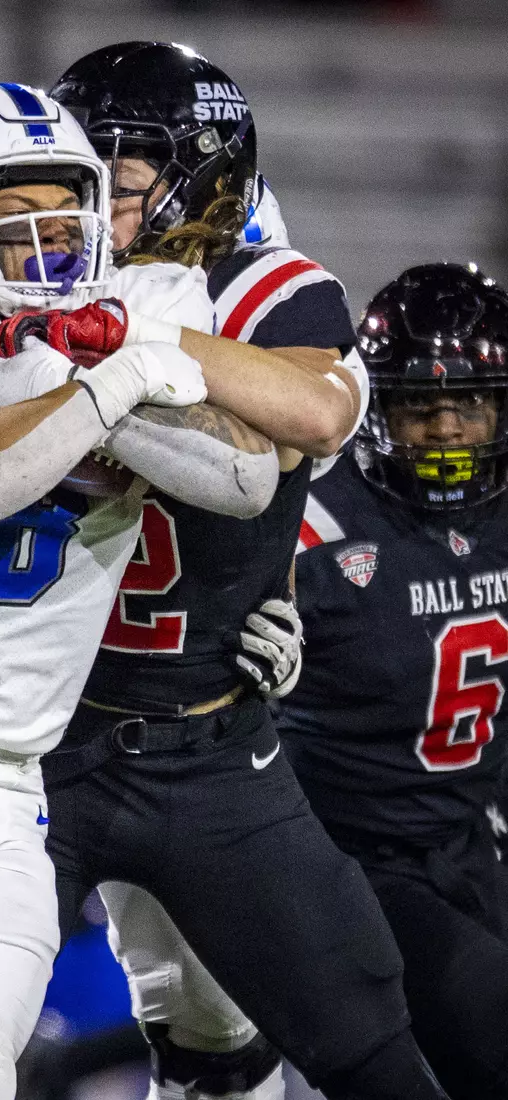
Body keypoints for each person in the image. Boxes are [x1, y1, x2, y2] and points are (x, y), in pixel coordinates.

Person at [0, 44, 448, 1100]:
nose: (75, 187)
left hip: (203, 722)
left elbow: (302, 425)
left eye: (115, 163)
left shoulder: (242, 280)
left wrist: (122, 344)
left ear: (194, 169)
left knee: (321, 1032)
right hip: (30, 741)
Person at [276, 262, 508, 1100]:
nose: (446, 428)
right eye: (420, 408)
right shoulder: (316, 525)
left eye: (469, 404)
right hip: (356, 862)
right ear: (379, 411)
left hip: (475, 839)